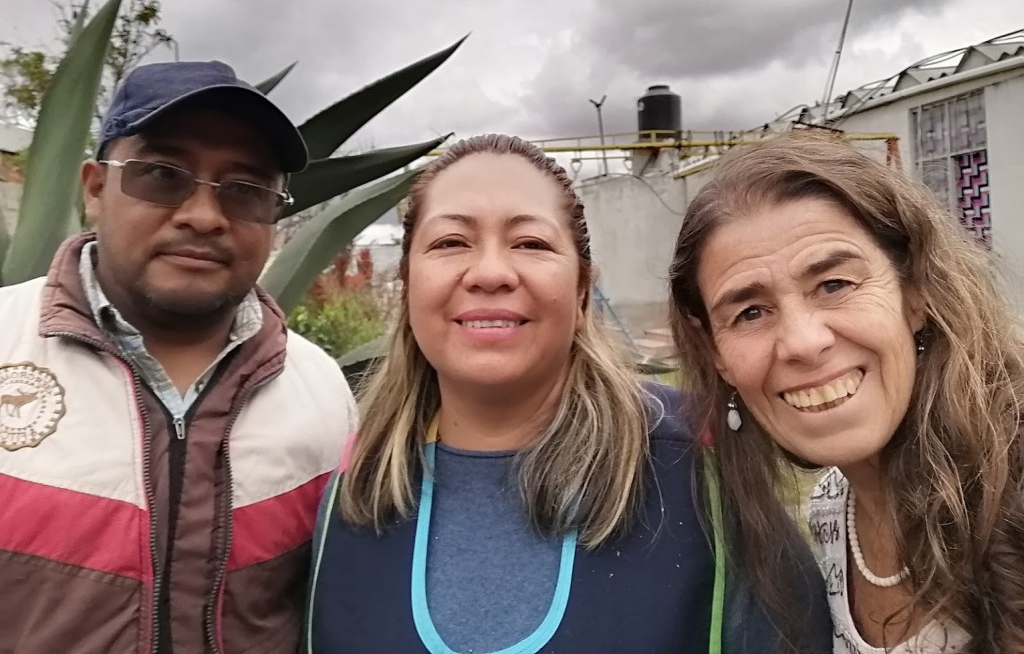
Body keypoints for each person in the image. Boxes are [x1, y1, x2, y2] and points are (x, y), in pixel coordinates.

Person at [305, 133, 832, 653]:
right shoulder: (355, 491)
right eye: (450, 242)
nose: (490, 273)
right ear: (407, 282)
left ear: (582, 289)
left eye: (530, 243)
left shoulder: (697, 470)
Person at [0, 60, 356, 653]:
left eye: (246, 190)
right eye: (163, 176)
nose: (204, 216)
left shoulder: (319, 393)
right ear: (95, 188)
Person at [667, 130, 1024, 653]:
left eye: (835, 284)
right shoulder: (832, 509)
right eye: (750, 312)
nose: (803, 342)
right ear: (717, 354)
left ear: (915, 294)